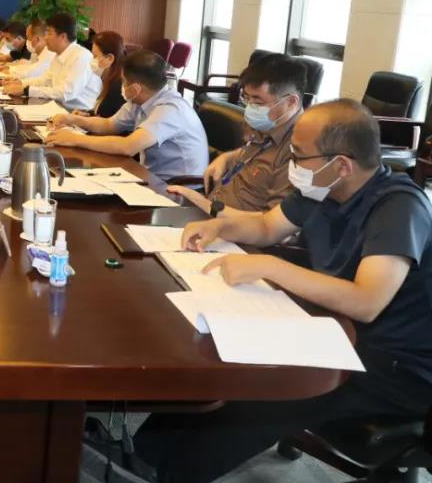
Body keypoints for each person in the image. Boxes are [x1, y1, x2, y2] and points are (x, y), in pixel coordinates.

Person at [129, 99, 432, 483]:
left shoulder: (398, 207)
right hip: (333, 331)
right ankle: (141, 455)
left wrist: (272, 267)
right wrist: (221, 227)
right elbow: (267, 227)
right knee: (220, 361)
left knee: (262, 392)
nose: (292, 164)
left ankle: (171, 474)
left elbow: (366, 301)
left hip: (393, 365)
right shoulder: (322, 188)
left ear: (341, 165)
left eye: (299, 156)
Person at [169, 53, 305, 216]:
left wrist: (204, 204)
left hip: (233, 227)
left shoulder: (301, 150)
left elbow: (272, 222)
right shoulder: (269, 124)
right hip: (211, 212)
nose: (250, 107)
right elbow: (256, 154)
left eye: (258, 102)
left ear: (291, 102)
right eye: (246, 98)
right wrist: (226, 158)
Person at [46, 49, 208, 180]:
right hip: (151, 177)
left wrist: (75, 139)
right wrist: (72, 119)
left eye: (124, 81)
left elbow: (128, 146)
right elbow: (109, 125)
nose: (122, 86)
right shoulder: (140, 100)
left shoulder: (170, 109)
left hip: (177, 189)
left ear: (136, 88)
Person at [3, 13, 100, 110]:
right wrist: (20, 84)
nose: (45, 38)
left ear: (63, 36)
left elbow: (66, 93)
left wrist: (26, 90)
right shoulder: (58, 55)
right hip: (57, 108)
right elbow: (45, 80)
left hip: (76, 114)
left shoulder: (81, 56)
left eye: (49, 33)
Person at [85, 31, 126, 119]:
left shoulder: (118, 87)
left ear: (110, 58)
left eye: (95, 56)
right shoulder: (105, 78)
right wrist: (85, 114)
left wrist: (81, 119)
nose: (92, 60)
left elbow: (105, 118)